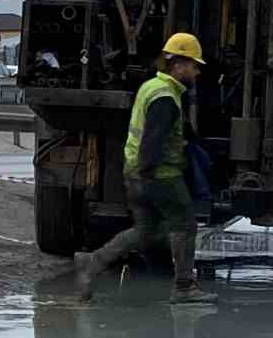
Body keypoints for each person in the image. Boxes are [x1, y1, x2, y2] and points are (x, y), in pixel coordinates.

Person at [74, 32, 217, 303]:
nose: (197, 71)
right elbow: (153, 140)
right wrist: (149, 173)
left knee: (145, 231)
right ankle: (184, 287)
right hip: (159, 174)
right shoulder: (165, 97)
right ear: (178, 64)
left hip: (136, 173)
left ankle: (91, 263)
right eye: (194, 65)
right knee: (185, 224)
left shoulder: (152, 86)